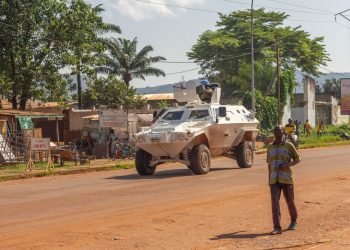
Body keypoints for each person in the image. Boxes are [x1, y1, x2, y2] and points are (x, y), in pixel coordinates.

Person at [266, 125, 301, 235]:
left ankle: (294, 220)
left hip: (286, 178)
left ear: (283, 132)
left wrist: (288, 165)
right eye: (275, 130)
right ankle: (277, 227)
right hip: (274, 180)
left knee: (290, 201)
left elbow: (297, 159)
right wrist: (269, 178)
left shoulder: (289, 145)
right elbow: (269, 164)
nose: (276, 132)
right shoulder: (270, 147)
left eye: (279, 130)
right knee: (275, 203)